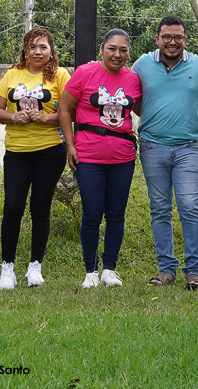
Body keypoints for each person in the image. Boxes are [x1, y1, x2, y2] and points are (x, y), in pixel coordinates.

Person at [131, 16, 198, 291]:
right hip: (152, 146)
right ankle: (166, 268)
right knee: (160, 209)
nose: (172, 42)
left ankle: (194, 271)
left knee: (190, 207)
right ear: (157, 39)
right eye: (166, 36)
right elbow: (132, 98)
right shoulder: (141, 65)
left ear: (185, 40)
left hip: (187, 148)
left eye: (178, 37)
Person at [59, 29, 142, 288]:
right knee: (92, 213)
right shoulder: (84, 73)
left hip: (123, 157)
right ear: (101, 49)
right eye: (112, 49)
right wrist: (69, 145)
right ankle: (90, 271)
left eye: (123, 50)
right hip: (88, 156)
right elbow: (64, 108)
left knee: (116, 213)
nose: (117, 54)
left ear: (129, 52)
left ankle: (109, 269)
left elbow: (142, 110)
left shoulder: (134, 80)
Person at [0, 27, 71, 290]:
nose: (38, 52)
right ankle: (7, 269)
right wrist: (15, 116)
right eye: (33, 47)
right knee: (13, 206)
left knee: (40, 207)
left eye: (43, 47)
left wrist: (46, 118)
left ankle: (35, 266)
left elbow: (70, 111)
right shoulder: (11, 74)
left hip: (50, 149)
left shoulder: (60, 75)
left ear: (51, 50)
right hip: (17, 151)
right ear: (25, 49)